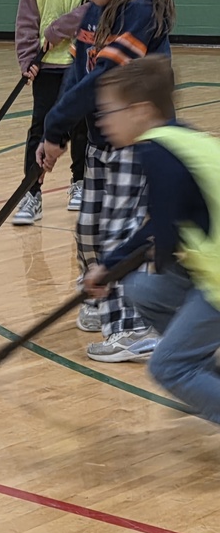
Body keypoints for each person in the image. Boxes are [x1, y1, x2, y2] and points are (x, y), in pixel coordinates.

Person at [38, 0, 176, 362]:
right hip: (102, 139)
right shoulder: (97, 8)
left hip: (137, 142)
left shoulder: (142, 10)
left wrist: (58, 121)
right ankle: (103, 304)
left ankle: (132, 328)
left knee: (121, 232)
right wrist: (56, 132)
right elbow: (79, 72)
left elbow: (105, 79)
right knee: (90, 229)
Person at [84, 56, 220, 419]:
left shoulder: (157, 152)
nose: (103, 122)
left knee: (166, 368)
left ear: (141, 111)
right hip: (209, 267)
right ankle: (204, 377)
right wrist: (111, 268)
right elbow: (161, 230)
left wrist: (106, 271)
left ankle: (189, 371)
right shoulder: (180, 137)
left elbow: (161, 236)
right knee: (142, 289)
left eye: (109, 112)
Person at [12, 0, 90, 226]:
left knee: (81, 125)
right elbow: (27, 8)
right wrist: (27, 54)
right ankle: (32, 193)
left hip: (82, 57)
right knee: (40, 128)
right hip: (46, 62)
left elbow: (93, 5)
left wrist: (59, 29)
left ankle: (79, 183)